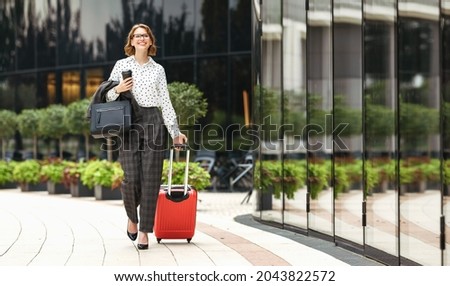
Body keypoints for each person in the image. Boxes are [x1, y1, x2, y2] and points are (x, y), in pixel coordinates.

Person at [105, 23, 187, 250]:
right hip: (129, 122)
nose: (141, 39)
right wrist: (118, 89)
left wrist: (175, 132)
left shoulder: (158, 70)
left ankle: (144, 231)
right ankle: (132, 217)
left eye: (145, 35)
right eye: (137, 36)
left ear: (150, 41)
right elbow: (107, 97)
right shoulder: (121, 65)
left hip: (153, 121)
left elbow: (166, 102)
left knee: (151, 179)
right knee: (131, 177)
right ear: (131, 41)